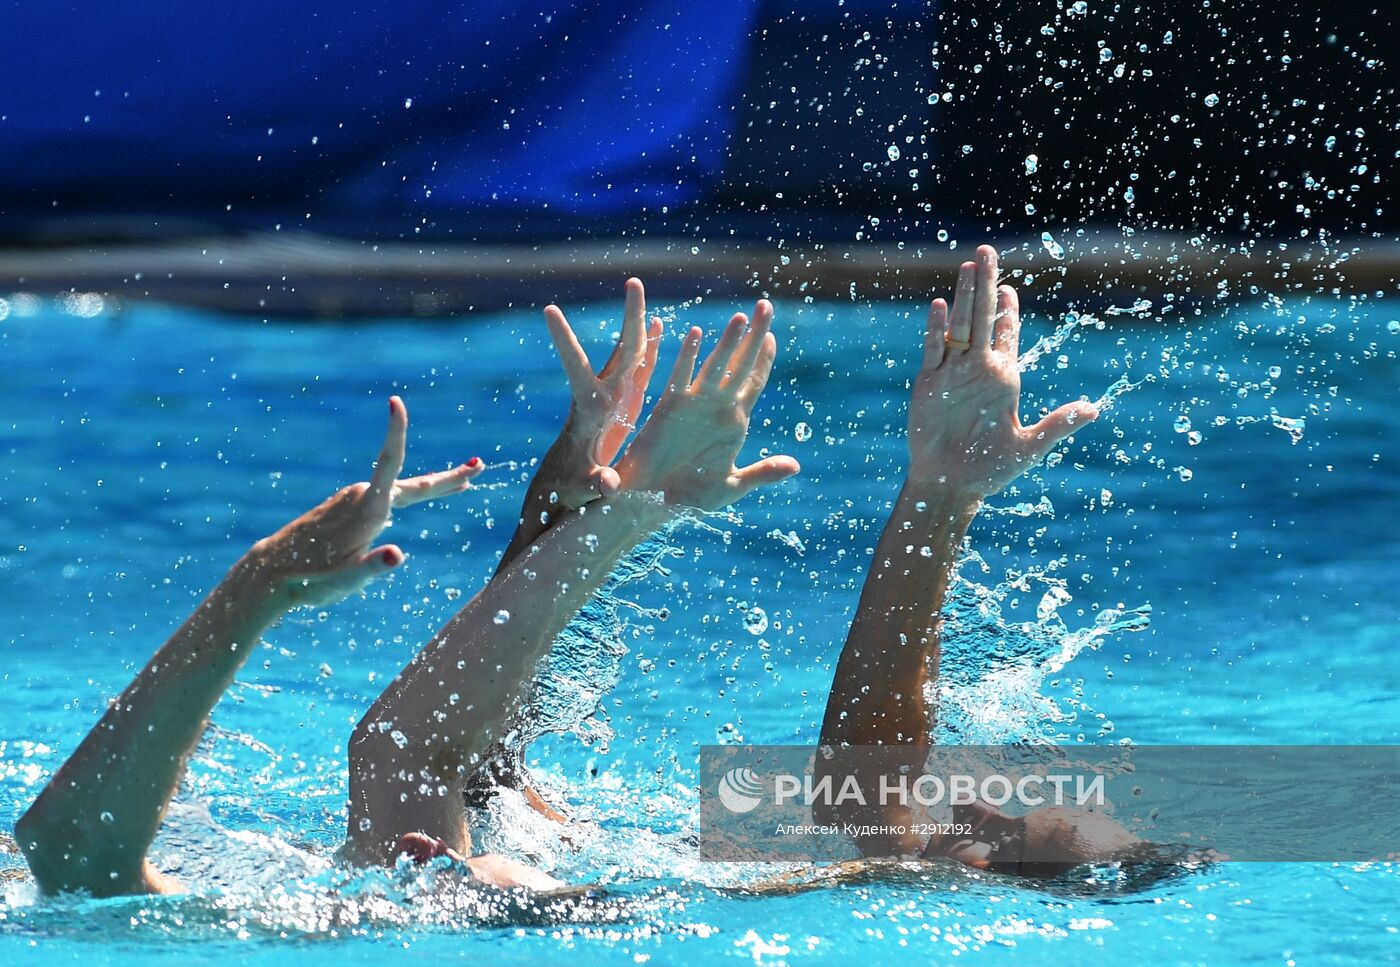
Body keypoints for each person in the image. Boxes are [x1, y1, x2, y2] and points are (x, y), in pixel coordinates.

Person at [13, 281, 799, 896]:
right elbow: (440, 761)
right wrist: (603, 515)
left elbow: (74, 856)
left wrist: (570, 519)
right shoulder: (777, 849)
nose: (438, 858)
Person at [814, 244, 1142, 876]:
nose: (972, 810)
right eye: (1013, 817)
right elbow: (856, 801)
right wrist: (943, 493)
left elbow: (857, 798)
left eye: (1008, 840)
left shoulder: (851, 887)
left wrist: (939, 497)